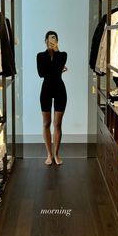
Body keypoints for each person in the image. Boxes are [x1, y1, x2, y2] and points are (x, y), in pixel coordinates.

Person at [37, 31, 67, 165]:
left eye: (54, 40)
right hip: (46, 90)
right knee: (46, 123)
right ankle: (49, 154)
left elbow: (58, 65)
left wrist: (57, 51)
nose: (52, 42)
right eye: (50, 40)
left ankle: (56, 154)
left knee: (58, 124)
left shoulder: (62, 55)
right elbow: (41, 73)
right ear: (45, 41)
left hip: (60, 89)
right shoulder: (40, 56)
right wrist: (58, 69)